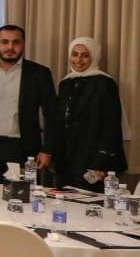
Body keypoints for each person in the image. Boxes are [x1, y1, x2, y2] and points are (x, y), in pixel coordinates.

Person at [0, 25, 58, 185]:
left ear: (23, 44)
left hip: (23, 149)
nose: (10, 47)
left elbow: (51, 115)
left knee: (21, 196)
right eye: (5, 42)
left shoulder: (39, 73)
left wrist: (47, 150)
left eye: (16, 42)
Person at [52, 37, 127, 192]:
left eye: (85, 55)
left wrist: (101, 164)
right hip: (65, 158)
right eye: (75, 54)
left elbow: (111, 125)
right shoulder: (65, 83)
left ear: (94, 57)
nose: (78, 60)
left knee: (88, 201)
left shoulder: (105, 83)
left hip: (92, 159)